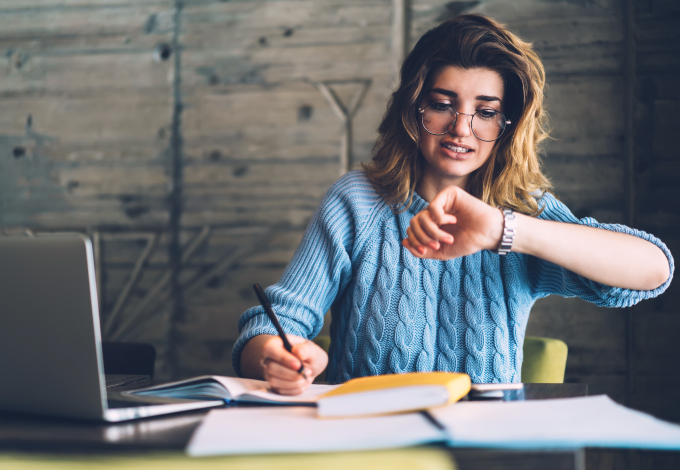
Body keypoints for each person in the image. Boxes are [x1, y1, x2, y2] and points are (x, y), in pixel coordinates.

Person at [232, 14, 673, 395]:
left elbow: (653, 271)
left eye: (484, 112)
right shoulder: (357, 202)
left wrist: (506, 229)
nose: (461, 129)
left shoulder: (520, 210)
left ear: (506, 124)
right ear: (412, 109)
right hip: (373, 444)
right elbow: (273, 324)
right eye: (443, 105)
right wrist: (276, 355)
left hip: (486, 450)